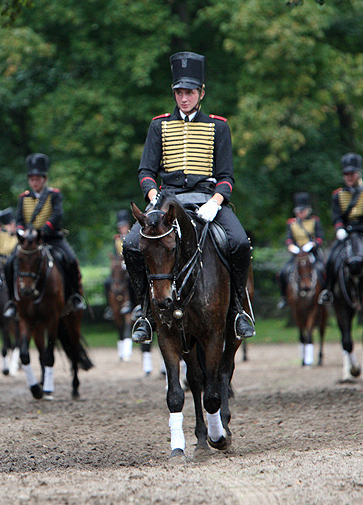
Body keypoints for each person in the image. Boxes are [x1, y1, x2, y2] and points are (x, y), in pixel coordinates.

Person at [123, 51, 255, 343]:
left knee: (239, 242)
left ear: (201, 93)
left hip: (207, 199)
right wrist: (154, 195)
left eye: (190, 92)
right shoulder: (159, 124)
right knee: (132, 244)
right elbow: (146, 170)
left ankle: (237, 309)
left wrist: (216, 202)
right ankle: (144, 311)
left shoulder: (217, 126)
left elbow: (226, 177)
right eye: (179, 92)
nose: (184, 98)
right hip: (167, 200)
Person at [4, 153, 87, 316]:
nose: (35, 182)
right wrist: (22, 231)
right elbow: (19, 218)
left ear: (44, 179)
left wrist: (41, 232)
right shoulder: (23, 198)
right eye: (32, 179)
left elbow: (57, 215)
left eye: (38, 178)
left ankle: (75, 296)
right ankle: (11, 301)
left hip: (52, 238)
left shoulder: (54, 195)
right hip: (28, 241)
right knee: (9, 263)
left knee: (70, 260)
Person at [319, 153, 363, 304]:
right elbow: (337, 216)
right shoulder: (338, 195)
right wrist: (339, 229)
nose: (348, 177)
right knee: (331, 259)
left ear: (358, 173)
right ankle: (328, 291)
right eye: (346, 174)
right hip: (347, 234)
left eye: (351, 174)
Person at [277, 192, 325, 308]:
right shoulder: (291, 223)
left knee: (322, 270)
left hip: (312, 253)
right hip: (297, 255)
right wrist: (292, 247)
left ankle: (325, 294)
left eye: (302, 211)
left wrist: (312, 245)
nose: (300, 213)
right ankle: (284, 297)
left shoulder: (315, 221)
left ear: (308, 210)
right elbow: (288, 240)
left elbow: (320, 238)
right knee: (283, 272)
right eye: (298, 211)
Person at [103, 209, 134, 319]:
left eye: (123, 226)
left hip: (131, 266)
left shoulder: (133, 236)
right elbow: (116, 254)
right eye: (120, 226)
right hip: (119, 267)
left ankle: (133, 303)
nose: (121, 228)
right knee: (107, 282)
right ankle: (110, 307)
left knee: (131, 281)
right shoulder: (116, 239)